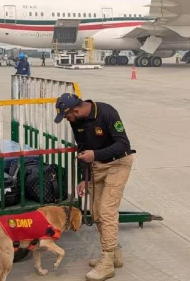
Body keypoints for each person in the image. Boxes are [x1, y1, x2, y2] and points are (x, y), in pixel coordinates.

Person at [54, 93, 135, 281]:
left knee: (107, 212)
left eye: (67, 115)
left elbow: (123, 144)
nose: (66, 119)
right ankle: (114, 254)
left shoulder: (107, 112)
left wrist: (95, 154)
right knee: (97, 213)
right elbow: (82, 150)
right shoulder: (76, 121)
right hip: (96, 166)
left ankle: (106, 262)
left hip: (118, 163)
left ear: (76, 109)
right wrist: (84, 178)